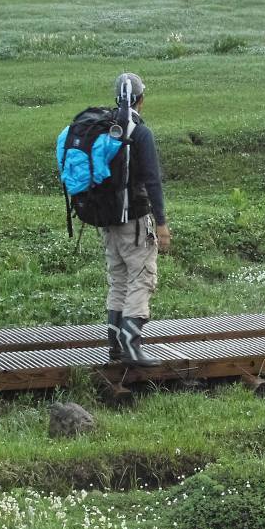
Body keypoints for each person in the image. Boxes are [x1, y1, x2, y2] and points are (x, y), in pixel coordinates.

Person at [101, 71, 171, 366]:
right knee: (141, 277)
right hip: (135, 222)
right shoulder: (141, 133)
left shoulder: (104, 130)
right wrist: (163, 223)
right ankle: (132, 344)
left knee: (118, 279)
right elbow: (152, 181)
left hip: (107, 221)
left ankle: (115, 343)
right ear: (141, 99)